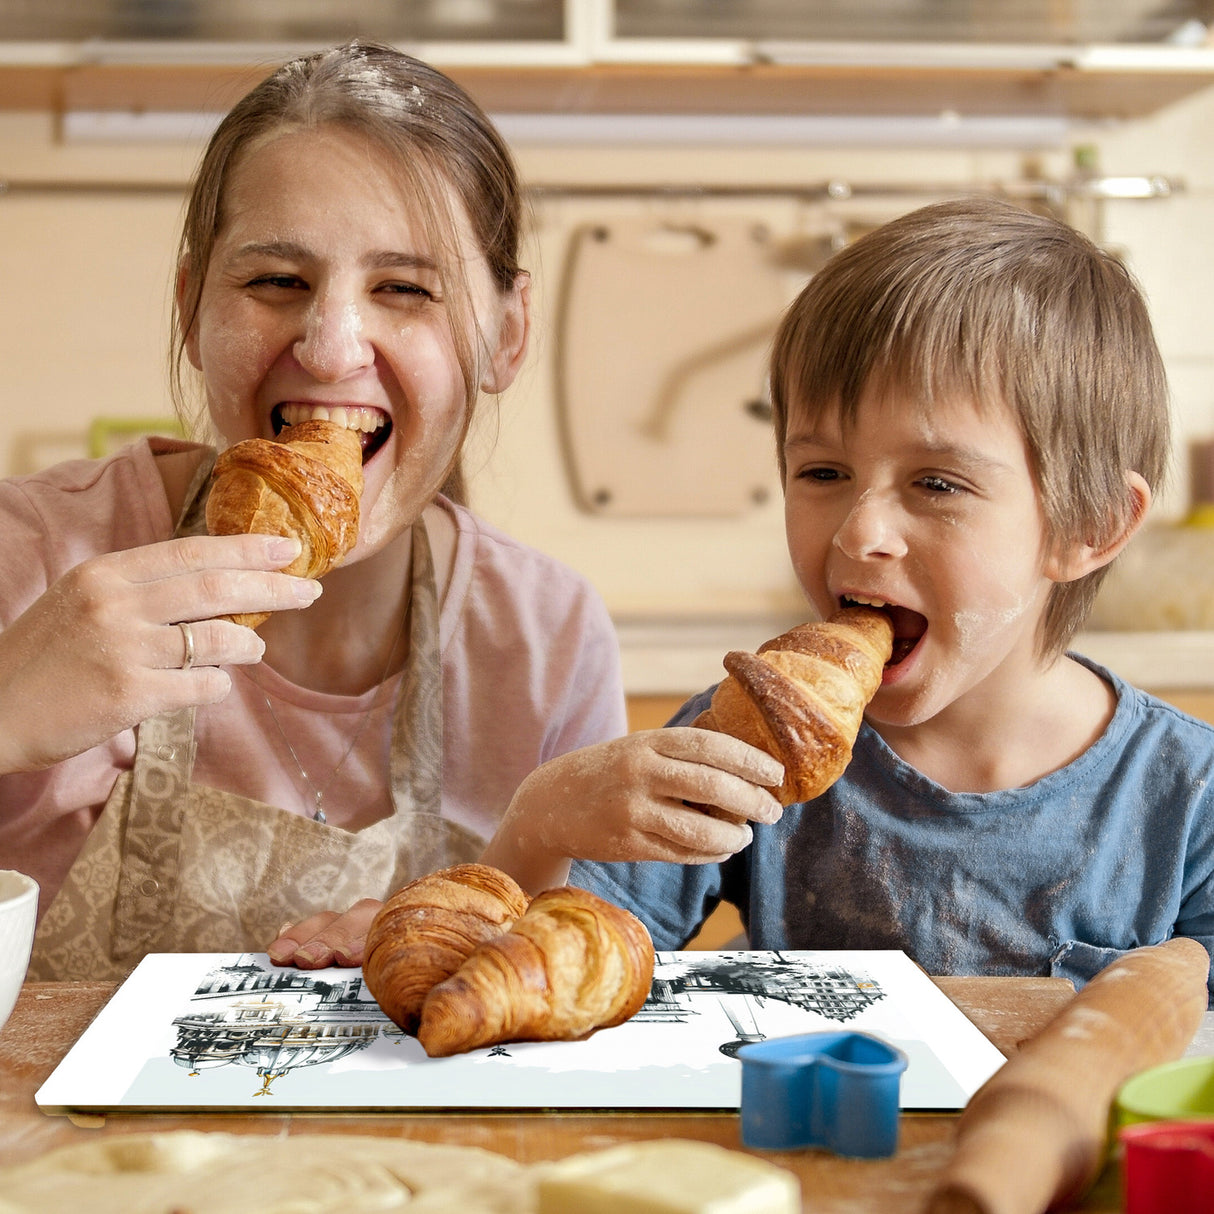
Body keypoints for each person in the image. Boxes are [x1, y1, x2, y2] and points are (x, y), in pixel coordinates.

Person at [2, 40, 629, 981]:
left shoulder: (545, 638)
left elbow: (580, 983)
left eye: (405, 290)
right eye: (275, 282)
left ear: (507, 334)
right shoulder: (35, 557)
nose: (333, 348)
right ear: (190, 309)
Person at [488, 196, 1214, 997]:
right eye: (824, 473)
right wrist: (540, 820)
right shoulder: (748, 740)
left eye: (937, 482)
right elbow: (551, 969)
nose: (859, 531)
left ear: (1091, 524)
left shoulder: (1188, 799)